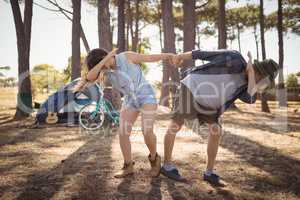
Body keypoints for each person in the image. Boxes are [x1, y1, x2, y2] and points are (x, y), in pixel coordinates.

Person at [161, 49, 279, 185]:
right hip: (191, 88)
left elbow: (251, 99)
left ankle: (209, 173)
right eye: (262, 79)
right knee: (176, 124)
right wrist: (180, 56)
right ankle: (167, 166)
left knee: (216, 131)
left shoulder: (246, 86)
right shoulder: (233, 57)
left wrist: (251, 73)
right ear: (260, 71)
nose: (259, 83)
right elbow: (201, 54)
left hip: (209, 105)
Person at [74, 48, 175, 178]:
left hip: (146, 95)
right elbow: (89, 77)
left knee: (146, 130)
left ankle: (155, 159)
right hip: (129, 100)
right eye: (100, 66)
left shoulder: (127, 56)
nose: (102, 69)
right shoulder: (106, 71)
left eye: (102, 64)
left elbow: (149, 57)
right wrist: (105, 60)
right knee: (123, 132)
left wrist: (168, 54)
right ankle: (128, 166)